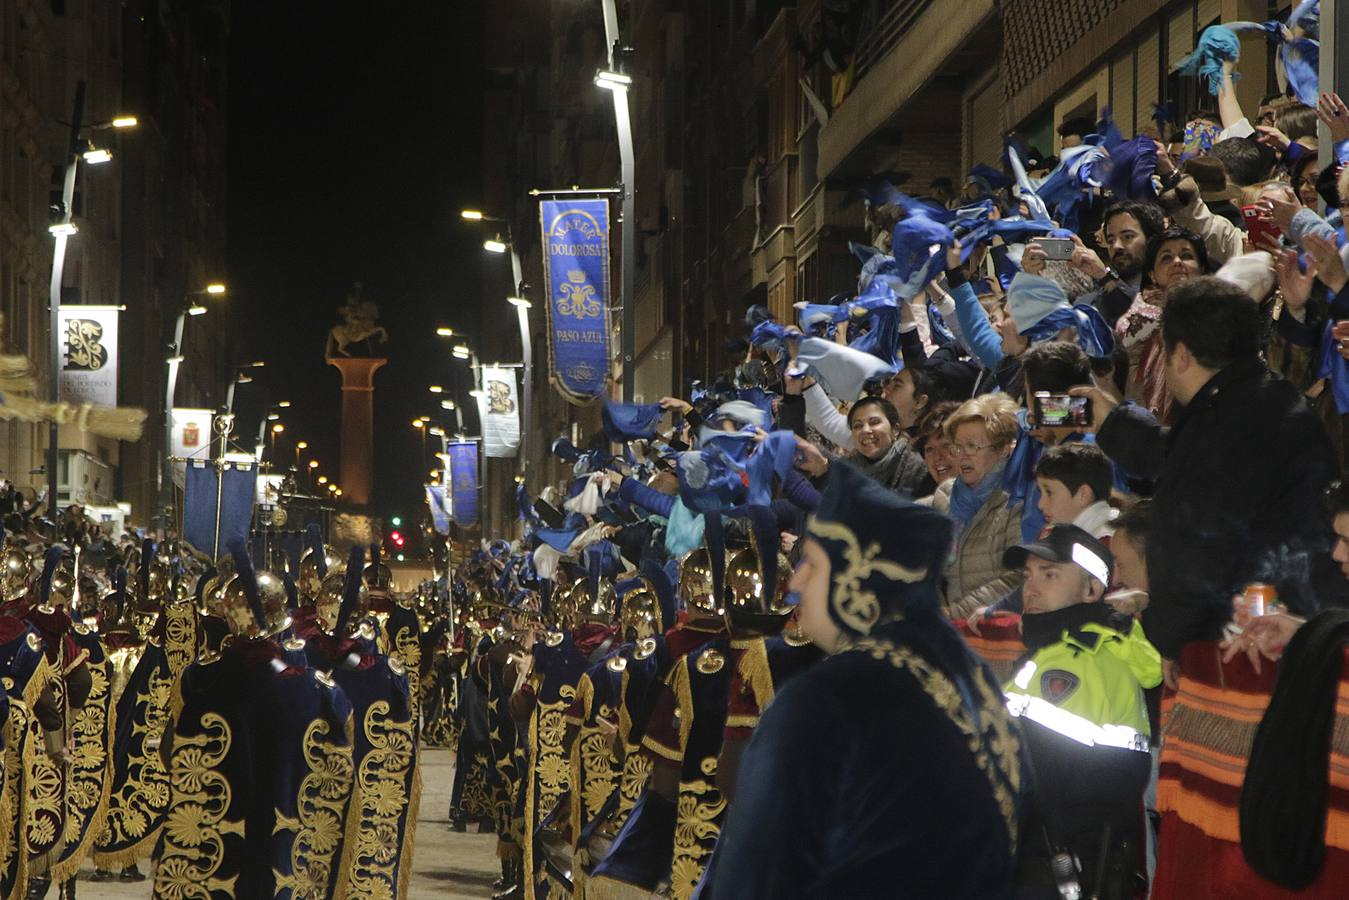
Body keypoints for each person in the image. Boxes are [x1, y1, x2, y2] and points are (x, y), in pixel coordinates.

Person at [706, 461, 1023, 898]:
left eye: (813, 565)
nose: (796, 581)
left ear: (856, 576)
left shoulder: (827, 700)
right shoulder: (975, 682)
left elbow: (752, 882)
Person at [1074, 276, 1347, 682]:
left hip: (1266, 642)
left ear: (1180, 354)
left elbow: (1194, 551)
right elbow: (1191, 461)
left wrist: (1171, 642)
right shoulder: (1263, 397)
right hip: (1301, 625)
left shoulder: (1224, 419)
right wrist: (1115, 423)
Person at [1003, 525, 1161, 898]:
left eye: (1050, 574)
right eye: (1029, 575)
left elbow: (1062, 768)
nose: (1032, 587)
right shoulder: (1050, 649)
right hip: (1041, 850)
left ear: (1092, 590)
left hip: (1063, 857)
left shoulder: (1092, 653)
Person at [1114, 227, 1212, 421]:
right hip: (1142, 429)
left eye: (1186, 256)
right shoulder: (1133, 322)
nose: (1177, 262)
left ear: (1202, 269)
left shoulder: (1219, 317)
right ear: (1152, 274)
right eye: (1166, 258)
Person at [940, 394, 1024, 619]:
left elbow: (1018, 577)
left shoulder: (1018, 500)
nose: (962, 456)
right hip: (952, 635)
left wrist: (954, 614)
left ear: (1004, 449)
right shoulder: (945, 495)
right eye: (957, 447)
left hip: (997, 630)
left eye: (973, 446)